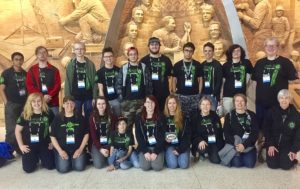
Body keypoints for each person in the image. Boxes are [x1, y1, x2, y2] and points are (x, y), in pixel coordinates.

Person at [15, 93, 55, 173]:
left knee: (50, 165)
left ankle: (42, 156)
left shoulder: (48, 113)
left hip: (44, 144)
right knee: (28, 169)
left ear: (42, 102)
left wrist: (52, 142)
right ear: (30, 103)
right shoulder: (25, 114)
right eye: (33, 101)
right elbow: (17, 131)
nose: (36, 103)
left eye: (38, 101)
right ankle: (35, 157)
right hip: (29, 146)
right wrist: (21, 145)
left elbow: (53, 129)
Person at [50, 96, 89, 173]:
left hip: (77, 148)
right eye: (67, 103)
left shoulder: (80, 117)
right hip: (63, 149)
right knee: (63, 169)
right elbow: (52, 136)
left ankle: (74, 159)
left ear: (74, 105)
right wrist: (60, 151)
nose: (69, 105)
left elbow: (86, 134)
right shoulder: (57, 118)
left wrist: (80, 149)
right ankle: (69, 160)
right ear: (63, 105)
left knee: (79, 167)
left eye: (72, 103)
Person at [116, 47, 152, 128]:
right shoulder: (124, 68)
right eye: (131, 54)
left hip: (141, 102)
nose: (133, 56)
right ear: (128, 56)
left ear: (137, 55)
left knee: (141, 124)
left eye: (135, 54)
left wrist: (148, 98)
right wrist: (122, 99)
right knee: (127, 125)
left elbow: (149, 83)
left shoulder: (143, 67)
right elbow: (118, 84)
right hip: (127, 102)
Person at [264, 89, 300, 170]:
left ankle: (291, 159)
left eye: (286, 98)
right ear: (278, 99)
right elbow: (266, 129)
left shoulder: (296, 115)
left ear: (290, 99)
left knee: (286, 166)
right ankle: (267, 152)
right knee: (272, 165)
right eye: (281, 98)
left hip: (288, 145)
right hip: (273, 143)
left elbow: (298, 135)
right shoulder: (271, 111)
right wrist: (270, 144)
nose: (284, 100)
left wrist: (294, 149)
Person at [219, 94, 258, 168]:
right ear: (234, 103)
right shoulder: (229, 116)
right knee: (237, 164)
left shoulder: (252, 115)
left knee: (250, 164)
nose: (239, 103)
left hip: (248, 144)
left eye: (242, 101)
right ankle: (239, 154)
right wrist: (236, 145)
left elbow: (254, 133)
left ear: (245, 103)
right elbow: (226, 133)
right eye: (237, 101)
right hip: (234, 145)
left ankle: (247, 153)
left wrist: (244, 145)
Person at [0, 52, 27, 154]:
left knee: (22, 127)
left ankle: (20, 149)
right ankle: (8, 152)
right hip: (11, 104)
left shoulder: (25, 74)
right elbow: (1, 89)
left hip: (24, 105)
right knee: (11, 130)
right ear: (12, 60)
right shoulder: (6, 73)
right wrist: (6, 103)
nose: (19, 61)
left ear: (23, 60)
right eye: (16, 59)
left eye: (20, 59)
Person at [64, 42, 97, 121]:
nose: (79, 51)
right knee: (76, 116)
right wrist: (68, 97)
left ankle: (88, 132)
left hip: (88, 95)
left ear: (85, 50)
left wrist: (95, 96)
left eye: (81, 49)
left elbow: (95, 81)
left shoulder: (90, 64)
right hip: (75, 96)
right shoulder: (70, 65)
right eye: (77, 49)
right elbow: (68, 82)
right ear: (74, 51)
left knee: (89, 116)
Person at [140, 37, 173, 111]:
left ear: (159, 46)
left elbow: (170, 77)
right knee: (151, 114)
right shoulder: (143, 61)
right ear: (148, 46)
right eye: (152, 44)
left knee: (164, 114)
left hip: (164, 93)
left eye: (156, 44)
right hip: (149, 94)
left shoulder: (166, 60)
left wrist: (171, 91)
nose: (154, 46)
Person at [26, 46, 61, 115]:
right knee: (39, 124)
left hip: (52, 102)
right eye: (39, 53)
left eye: (44, 52)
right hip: (37, 103)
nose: (42, 54)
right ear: (36, 55)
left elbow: (57, 85)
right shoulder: (32, 70)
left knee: (55, 124)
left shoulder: (54, 70)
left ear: (47, 54)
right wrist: (41, 97)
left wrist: (49, 96)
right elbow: (30, 85)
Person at [134, 95, 165, 171]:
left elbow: (163, 135)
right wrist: (145, 151)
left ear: (155, 104)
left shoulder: (161, 116)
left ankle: (161, 156)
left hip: (157, 146)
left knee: (157, 167)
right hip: (145, 146)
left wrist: (156, 152)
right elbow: (139, 136)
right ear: (144, 104)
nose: (150, 105)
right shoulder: (139, 117)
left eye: (152, 102)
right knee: (145, 167)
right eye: (148, 102)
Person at [172, 42, 203, 117]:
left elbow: (200, 80)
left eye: (190, 51)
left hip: (194, 96)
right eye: (186, 50)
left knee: (194, 117)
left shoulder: (197, 64)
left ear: (193, 52)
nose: (188, 53)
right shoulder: (177, 65)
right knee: (181, 117)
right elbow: (174, 80)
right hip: (181, 96)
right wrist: (174, 93)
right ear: (183, 51)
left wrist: (199, 93)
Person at [221, 44, 253, 115]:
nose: (236, 53)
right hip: (228, 95)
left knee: (242, 115)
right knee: (228, 116)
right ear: (230, 53)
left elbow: (253, 76)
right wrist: (221, 97)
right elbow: (223, 82)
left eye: (238, 51)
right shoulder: (226, 65)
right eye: (233, 51)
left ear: (241, 52)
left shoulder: (246, 62)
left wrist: (248, 85)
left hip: (241, 95)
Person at [191, 96, 224, 164]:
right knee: (202, 148)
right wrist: (200, 140)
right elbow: (193, 133)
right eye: (203, 104)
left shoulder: (215, 115)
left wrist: (218, 142)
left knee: (216, 160)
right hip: (202, 141)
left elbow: (219, 130)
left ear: (211, 106)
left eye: (207, 104)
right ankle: (199, 152)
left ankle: (209, 152)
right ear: (200, 106)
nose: (205, 106)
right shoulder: (195, 117)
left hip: (213, 141)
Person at [88, 96, 117, 169]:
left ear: (106, 104)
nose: (101, 106)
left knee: (112, 161)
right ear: (96, 105)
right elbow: (93, 136)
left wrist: (109, 147)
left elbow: (114, 133)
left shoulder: (112, 116)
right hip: (97, 144)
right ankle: (99, 155)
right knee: (99, 165)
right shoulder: (92, 117)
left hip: (110, 143)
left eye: (103, 103)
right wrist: (100, 149)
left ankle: (105, 156)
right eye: (99, 104)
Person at [164, 95, 190, 169]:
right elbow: (159, 133)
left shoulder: (184, 118)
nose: (172, 105)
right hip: (169, 145)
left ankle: (184, 153)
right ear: (167, 105)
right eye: (169, 103)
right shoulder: (162, 117)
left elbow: (187, 136)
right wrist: (164, 138)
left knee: (183, 165)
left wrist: (180, 149)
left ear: (177, 104)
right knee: (173, 165)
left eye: (174, 103)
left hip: (182, 144)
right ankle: (167, 156)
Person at [96, 47, 121, 116]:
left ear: (113, 57)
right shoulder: (99, 72)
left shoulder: (119, 70)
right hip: (106, 100)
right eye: (106, 57)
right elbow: (100, 89)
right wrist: (103, 102)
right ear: (103, 58)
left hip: (117, 100)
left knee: (118, 119)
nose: (108, 58)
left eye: (110, 56)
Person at [201, 42, 222, 111]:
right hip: (203, 95)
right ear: (203, 52)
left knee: (212, 115)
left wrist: (214, 93)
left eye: (210, 51)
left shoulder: (217, 65)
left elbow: (219, 81)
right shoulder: (202, 65)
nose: (207, 53)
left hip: (213, 96)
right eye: (206, 51)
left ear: (213, 52)